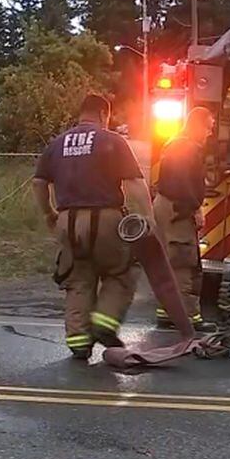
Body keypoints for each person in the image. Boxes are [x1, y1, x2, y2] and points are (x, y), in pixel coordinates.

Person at [32, 93, 155, 360]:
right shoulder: (112, 140)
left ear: (81, 113)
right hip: (105, 219)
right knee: (122, 270)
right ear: (103, 114)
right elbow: (134, 181)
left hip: (67, 221)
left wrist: (49, 213)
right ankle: (104, 323)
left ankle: (78, 341)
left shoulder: (57, 143)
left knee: (78, 278)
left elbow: (38, 182)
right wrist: (149, 216)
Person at [153, 106, 219, 332]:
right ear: (197, 125)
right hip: (178, 209)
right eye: (208, 127)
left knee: (171, 260)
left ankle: (167, 312)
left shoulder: (176, 143)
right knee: (183, 261)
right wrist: (196, 208)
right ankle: (187, 318)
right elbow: (182, 184)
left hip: (168, 207)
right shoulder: (187, 148)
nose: (209, 133)